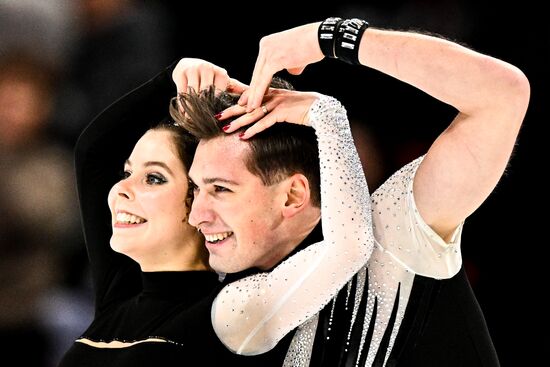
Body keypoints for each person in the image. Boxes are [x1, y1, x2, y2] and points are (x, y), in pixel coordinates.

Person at [173, 17, 529, 366]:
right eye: (196, 188)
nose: (195, 215)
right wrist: (176, 76)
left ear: (292, 196)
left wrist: (336, 37)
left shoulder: (391, 233)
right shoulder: (205, 286)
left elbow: (501, 96)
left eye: (220, 189)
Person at [57, 56, 374, 365]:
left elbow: (348, 246)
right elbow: (94, 154)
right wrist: (175, 77)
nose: (119, 190)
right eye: (127, 174)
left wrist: (326, 114)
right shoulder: (122, 290)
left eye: (154, 178)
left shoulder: (229, 309)